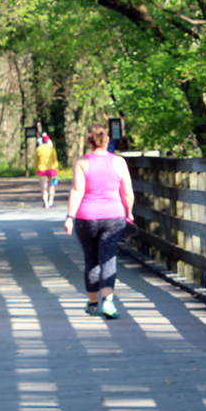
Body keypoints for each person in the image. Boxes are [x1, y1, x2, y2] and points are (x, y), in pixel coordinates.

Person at [64, 123, 134, 319]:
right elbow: (127, 192)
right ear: (107, 141)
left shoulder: (82, 163)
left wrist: (70, 216)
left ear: (89, 141)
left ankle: (93, 303)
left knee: (92, 260)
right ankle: (109, 303)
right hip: (113, 216)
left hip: (86, 218)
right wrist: (129, 212)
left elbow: (77, 191)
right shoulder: (119, 162)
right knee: (108, 258)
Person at [33, 132, 59, 207]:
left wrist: (36, 169)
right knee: (51, 186)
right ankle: (51, 201)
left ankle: (45, 202)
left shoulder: (38, 149)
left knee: (43, 187)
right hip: (51, 169)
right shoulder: (52, 149)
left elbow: (36, 161)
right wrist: (56, 169)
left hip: (42, 169)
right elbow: (55, 160)